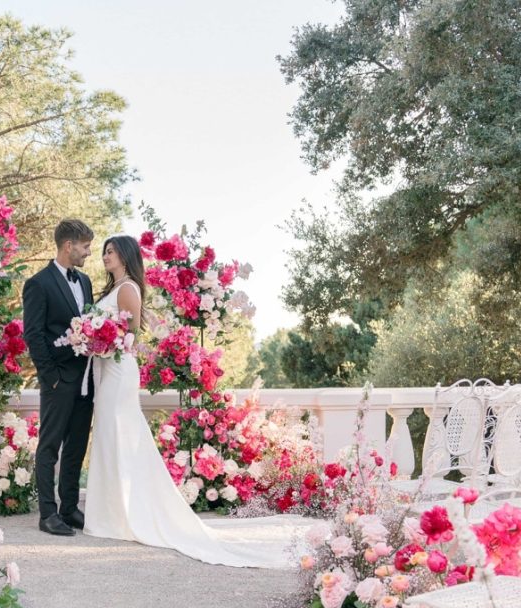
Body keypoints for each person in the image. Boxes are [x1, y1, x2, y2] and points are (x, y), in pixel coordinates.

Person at [82, 235, 318, 568]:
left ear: (125, 255)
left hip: (119, 371)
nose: (105, 256)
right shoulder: (112, 289)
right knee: (108, 437)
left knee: (118, 435)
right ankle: (110, 511)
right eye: (104, 251)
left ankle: (123, 514)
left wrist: (100, 342)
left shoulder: (128, 289)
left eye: (110, 251)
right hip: (106, 371)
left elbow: (129, 338)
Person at [22, 219, 96, 536]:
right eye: (85, 246)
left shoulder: (86, 281)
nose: (88, 252)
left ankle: (68, 508)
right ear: (69, 246)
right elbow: (34, 335)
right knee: (50, 447)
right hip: (58, 380)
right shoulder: (38, 283)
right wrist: (50, 377)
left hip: (85, 380)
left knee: (76, 446)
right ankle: (48, 514)